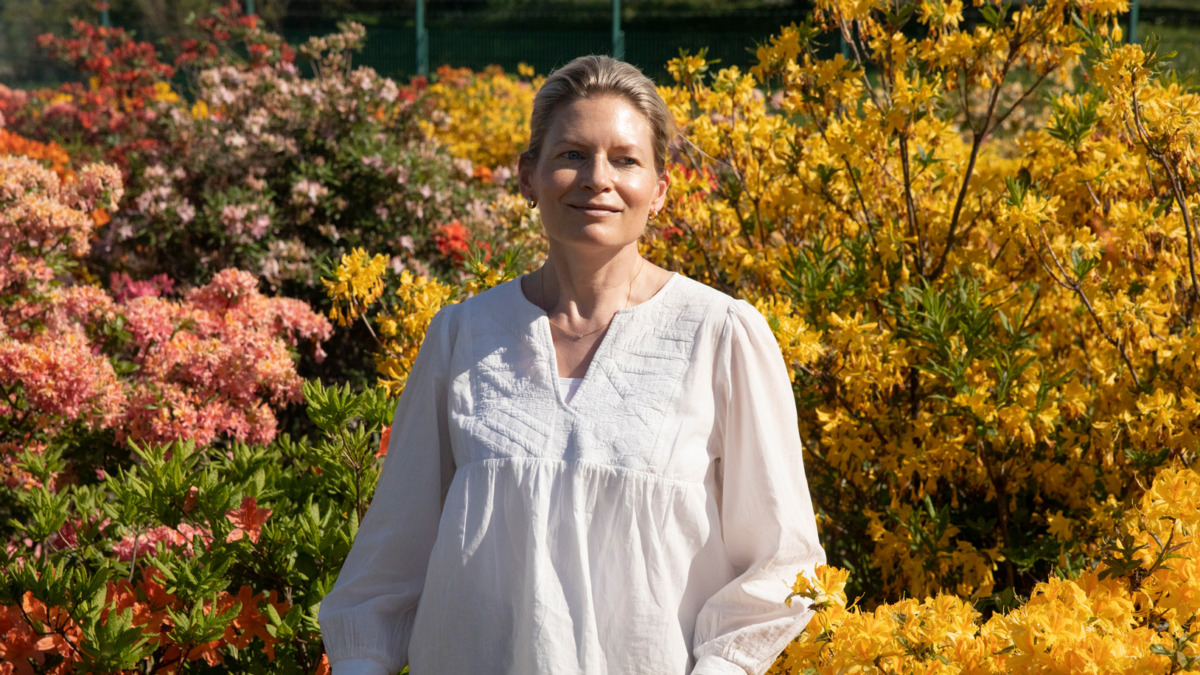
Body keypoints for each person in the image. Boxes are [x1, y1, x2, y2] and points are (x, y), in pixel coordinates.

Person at [318, 54, 825, 675]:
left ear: (659, 188)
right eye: (571, 155)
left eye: (625, 159)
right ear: (528, 176)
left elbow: (781, 559)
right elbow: (390, 560)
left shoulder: (720, 335)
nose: (597, 178)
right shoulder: (462, 336)